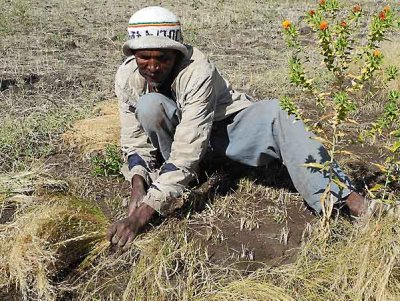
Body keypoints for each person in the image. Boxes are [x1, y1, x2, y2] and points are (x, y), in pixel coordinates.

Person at [106, 6, 369, 249]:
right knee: (150, 106)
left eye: (162, 58)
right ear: (133, 55)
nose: (152, 67)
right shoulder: (127, 77)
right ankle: (179, 176)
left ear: (177, 53)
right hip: (185, 137)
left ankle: (344, 198)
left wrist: (143, 215)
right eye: (144, 58)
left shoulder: (198, 71)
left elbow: (190, 146)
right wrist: (138, 186)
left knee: (280, 113)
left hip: (224, 129)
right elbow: (134, 139)